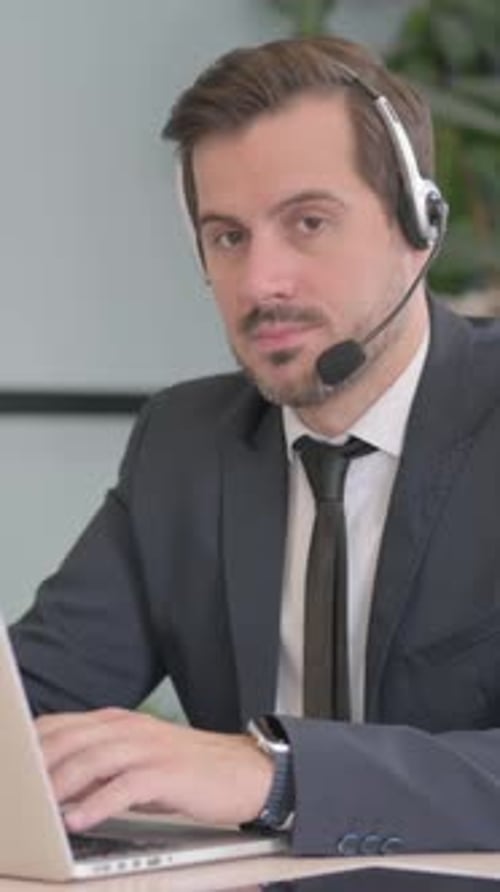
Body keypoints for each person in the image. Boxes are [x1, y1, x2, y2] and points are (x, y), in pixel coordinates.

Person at [9, 34, 500, 857]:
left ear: (420, 226)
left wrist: (276, 774)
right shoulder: (184, 444)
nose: (261, 282)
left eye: (308, 222)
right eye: (228, 237)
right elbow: (31, 703)